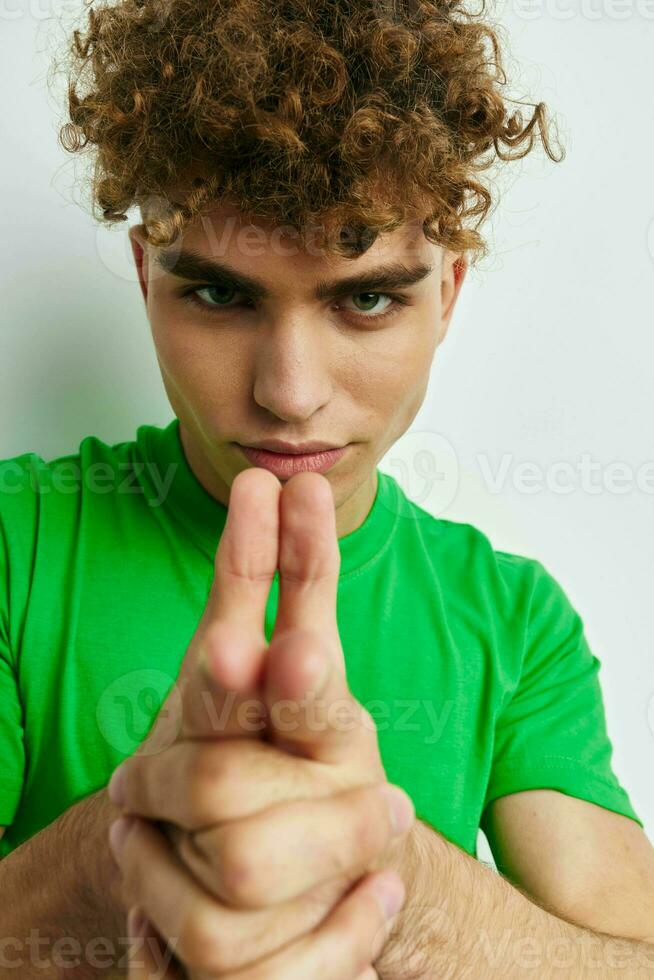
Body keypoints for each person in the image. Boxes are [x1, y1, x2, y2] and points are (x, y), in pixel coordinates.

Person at [1, 0, 653, 975]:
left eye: (367, 298)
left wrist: (399, 877)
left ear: (450, 296)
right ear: (145, 275)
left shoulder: (516, 621)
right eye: (221, 294)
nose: (289, 393)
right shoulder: (18, 541)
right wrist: (127, 848)